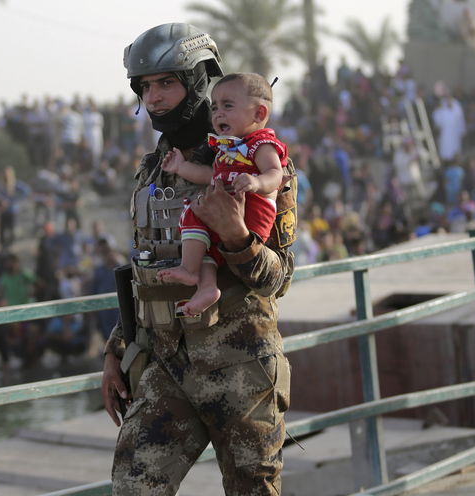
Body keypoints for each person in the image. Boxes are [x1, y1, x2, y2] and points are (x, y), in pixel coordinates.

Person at [101, 23, 295, 495]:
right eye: (145, 87)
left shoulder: (259, 166)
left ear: (201, 81)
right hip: (164, 368)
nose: (154, 99)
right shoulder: (152, 171)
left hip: (240, 368)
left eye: (166, 83)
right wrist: (115, 350)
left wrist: (236, 237)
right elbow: (147, 269)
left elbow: (278, 280)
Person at [156, 72, 289, 316]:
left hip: (253, 212)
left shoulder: (260, 144)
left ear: (259, 114)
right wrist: (181, 167)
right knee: (202, 239)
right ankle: (204, 285)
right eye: (215, 107)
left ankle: (193, 271)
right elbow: (209, 175)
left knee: (199, 219)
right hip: (218, 213)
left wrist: (256, 182)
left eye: (227, 106)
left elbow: (275, 174)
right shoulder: (224, 148)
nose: (218, 113)